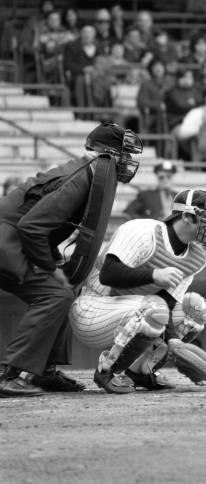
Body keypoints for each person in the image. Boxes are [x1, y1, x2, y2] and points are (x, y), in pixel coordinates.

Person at [0, 123, 143, 397]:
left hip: (12, 240)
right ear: (104, 152)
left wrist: (54, 263)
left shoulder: (87, 172)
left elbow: (37, 225)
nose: (128, 161)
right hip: (7, 244)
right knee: (55, 294)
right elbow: (31, 227)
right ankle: (11, 373)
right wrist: (51, 266)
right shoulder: (81, 177)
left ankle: (43, 371)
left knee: (64, 288)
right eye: (124, 153)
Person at [69, 188, 206, 393]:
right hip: (93, 307)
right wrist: (154, 275)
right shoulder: (144, 231)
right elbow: (107, 274)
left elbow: (168, 302)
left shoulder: (197, 257)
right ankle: (109, 370)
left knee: (196, 309)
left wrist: (173, 340)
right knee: (155, 308)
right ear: (187, 216)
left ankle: (141, 370)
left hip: (136, 312)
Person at [62, 25, 99, 108]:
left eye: (90, 33)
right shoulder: (71, 46)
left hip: (95, 76)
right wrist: (83, 69)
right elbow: (67, 64)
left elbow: (102, 62)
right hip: (76, 76)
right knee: (81, 79)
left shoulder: (99, 47)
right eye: (85, 32)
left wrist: (94, 70)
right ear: (81, 34)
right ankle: (81, 111)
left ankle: (100, 112)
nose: (87, 35)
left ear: (94, 35)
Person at [136, 58, 174, 136]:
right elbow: (141, 101)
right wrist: (159, 105)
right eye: (155, 66)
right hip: (154, 117)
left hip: (172, 115)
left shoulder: (171, 83)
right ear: (151, 69)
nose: (158, 68)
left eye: (160, 66)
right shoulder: (146, 84)